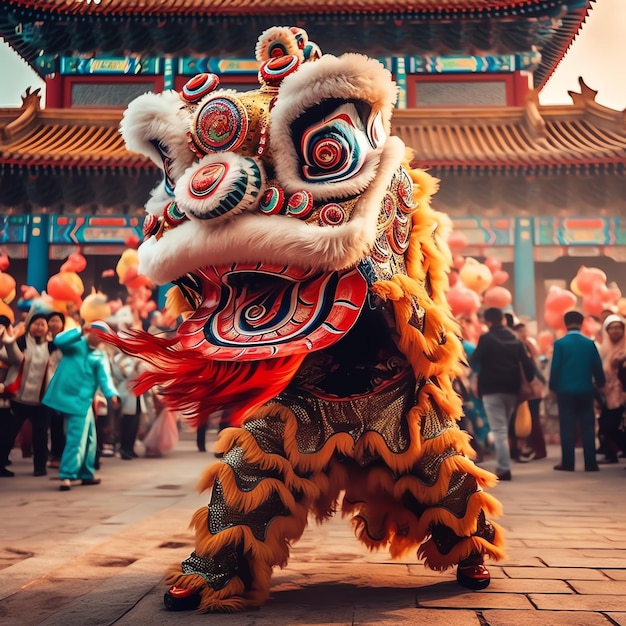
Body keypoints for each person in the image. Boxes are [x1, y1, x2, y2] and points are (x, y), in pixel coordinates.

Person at [41, 320, 120, 490]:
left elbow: (104, 377)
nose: (100, 340)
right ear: (90, 332)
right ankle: (67, 475)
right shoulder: (75, 344)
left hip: (84, 401)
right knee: (76, 439)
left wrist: (111, 394)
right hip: (72, 400)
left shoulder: (100, 354)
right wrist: (78, 331)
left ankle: (86, 473)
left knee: (90, 439)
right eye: (98, 336)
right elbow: (59, 340)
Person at [469, 307, 535, 481]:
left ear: (488, 321)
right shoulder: (514, 338)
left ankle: (504, 468)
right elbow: (528, 366)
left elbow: (474, 360)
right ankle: (502, 463)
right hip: (512, 389)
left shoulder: (486, 339)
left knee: (499, 429)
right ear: (502, 320)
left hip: (491, 389)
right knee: (502, 427)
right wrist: (529, 379)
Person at [0, 312, 57, 477]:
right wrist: (10, 343)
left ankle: (40, 467)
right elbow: (12, 357)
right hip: (19, 398)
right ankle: (1, 464)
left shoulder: (53, 347)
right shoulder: (20, 343)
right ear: (29, 326)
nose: (39, 328)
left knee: (40, 435)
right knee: (8, 434)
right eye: (36, 324)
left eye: (42, 324)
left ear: (46, 328)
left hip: (42, 401)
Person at [549, 310, 605, 472]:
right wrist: (601, 383)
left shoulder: (560, 344)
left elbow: (555, 367)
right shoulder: (590, 343)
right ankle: (590, 463)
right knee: (588, 426)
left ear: (565, 324)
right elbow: (597, 366)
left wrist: (553, 387)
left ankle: (568, 462)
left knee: (567, 426)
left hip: (565, 391)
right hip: (586, 390)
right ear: (582, 323)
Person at [510, 322, 547, 462]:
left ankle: (539, 449)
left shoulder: (524, 346)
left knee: (533, 419)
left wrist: (539, 382)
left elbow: (532, 368)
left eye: (524, 332)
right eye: (521, 332)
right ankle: (532, 448)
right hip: (530, 387)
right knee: (528, 419)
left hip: (531, 389)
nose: (523, 335)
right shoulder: (521, 345)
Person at [596, 314, 626, 464]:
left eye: (618, 328)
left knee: (614, 426)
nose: (615, 331)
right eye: (612, 328)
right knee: (608, 426)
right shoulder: (605, 349)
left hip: (623, 393)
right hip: (609, 394)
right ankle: (612, 453)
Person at [45, 311, 66, 469]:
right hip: (43, 387)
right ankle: (52, 454)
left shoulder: (66, 341)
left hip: (62, 387)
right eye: (50, 320)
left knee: (59, 422)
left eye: (56, 320)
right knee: (50, 423)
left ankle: (59, 455)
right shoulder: (41, 341)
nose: (53, 323)